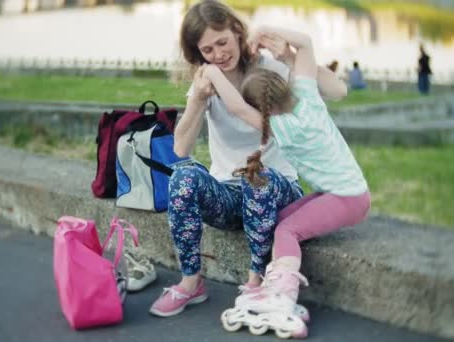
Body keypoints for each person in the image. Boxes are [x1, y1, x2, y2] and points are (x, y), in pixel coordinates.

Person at [148, 0, 347, 319]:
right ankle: (191, 282)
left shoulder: (270, 68)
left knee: (256, 176)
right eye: (207, 50)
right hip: (230, 195)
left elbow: (338, 91)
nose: (218, 54)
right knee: (183, 177)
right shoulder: (207, 80)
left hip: (277, 191)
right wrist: (198, 98)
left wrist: (291, 56)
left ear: (237, 32)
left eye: (222, 42)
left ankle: (256, 281)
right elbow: (181, 150)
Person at [201, 26, 370, 338]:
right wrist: (265, 31)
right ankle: (274, 280)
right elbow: (305, 43)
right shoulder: (308, 97)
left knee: (285, 230)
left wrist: (212, 73)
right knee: (279, 221)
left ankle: (282, 297)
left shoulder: (279, 127)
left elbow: (237, 106)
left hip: (347, 198)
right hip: (345, 191)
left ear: (261, 108)